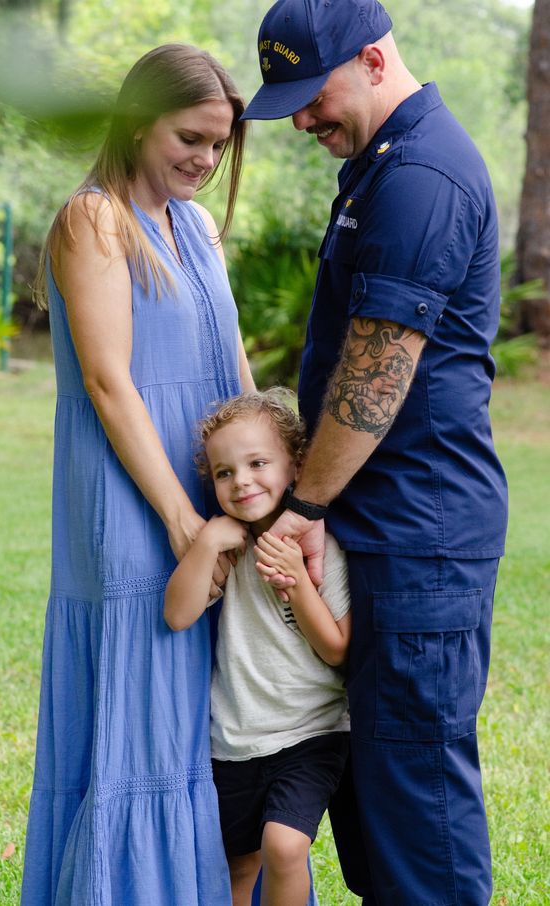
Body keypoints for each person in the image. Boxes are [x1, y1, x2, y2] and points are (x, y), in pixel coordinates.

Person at [241, 2, 509, 904]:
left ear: (371, 58)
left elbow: (378, 372)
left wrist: (305, 507)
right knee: (378, 819)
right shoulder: (379, 166)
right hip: (385, 527)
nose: (304, 120)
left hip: (419, 535)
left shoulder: (422, 175)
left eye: (312, 97)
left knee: (419, 825)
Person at [21, 44, 256, 905]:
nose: (204, 159)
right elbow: (109, 382)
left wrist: (269, 478)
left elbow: (232, 365)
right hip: (131, 510)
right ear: (135, 120)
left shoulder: (194, 226)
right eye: (189, 137)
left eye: (218, 147)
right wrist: (178, 519)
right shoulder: (94, 220)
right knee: (140, 725)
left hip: (206, 501)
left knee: (199, 732)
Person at [164, 390, 352, 906]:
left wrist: (297, 583)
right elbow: (179, 614)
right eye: (224, 473)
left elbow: (337, 649)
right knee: (238, 862)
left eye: (257, 463)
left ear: (295, 466)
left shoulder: (321, 547)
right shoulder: (231, 546)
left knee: (284, 845)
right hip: (233, 740)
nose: (241, 480)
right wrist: (204, 542)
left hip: (311, 734)